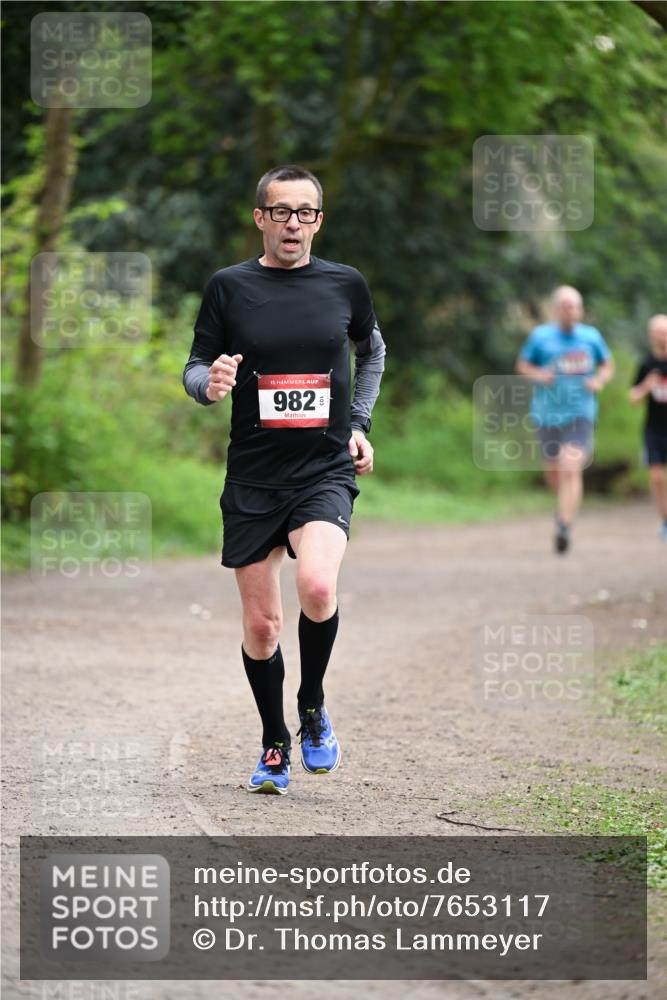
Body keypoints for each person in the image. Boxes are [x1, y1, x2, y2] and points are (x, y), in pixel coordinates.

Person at [183, 164, 385, 794]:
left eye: (304, 212)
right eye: (281, 211)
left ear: (318, 221)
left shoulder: (345, 284)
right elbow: (196, 367)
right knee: (263, 626)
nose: (292, 223)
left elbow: (372, 351)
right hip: (253, 476)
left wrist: (358, 422)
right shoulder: (229, 287)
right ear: (260, 218)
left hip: (323, 468)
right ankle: (274, 742)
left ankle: (312, 705)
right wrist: (210, 384)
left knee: (318, 587)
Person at [516, 286, 614, 554]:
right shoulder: (540, 337)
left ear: (580, 310)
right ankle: (563, 508)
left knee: (571, 467)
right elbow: (523, 365)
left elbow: (607, 365)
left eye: (574, 306)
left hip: (580, 412)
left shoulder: (591, 337)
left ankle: (564, 526)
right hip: (546, 413)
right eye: (565, 306)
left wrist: (600, 380)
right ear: (556, 309)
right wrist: (539, 375)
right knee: (554, 473)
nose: (570, 310)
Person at [629, 314, 667, 539]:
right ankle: (665, 520)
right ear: (651, 336)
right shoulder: (646, 364)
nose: (663, 336)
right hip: (654, 430)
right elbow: (633, 398)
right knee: (657, 478)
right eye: (659, 332)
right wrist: (646, 386)